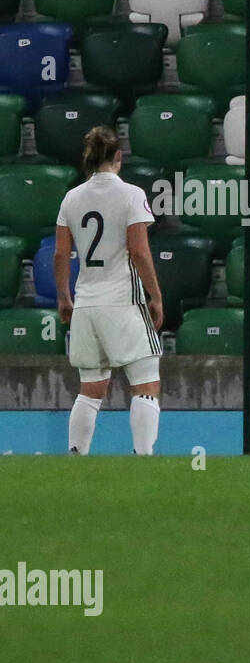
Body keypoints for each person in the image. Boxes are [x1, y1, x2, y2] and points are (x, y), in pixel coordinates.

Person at [54, 126, 164, 455]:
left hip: (86, 303)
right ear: (119, 157)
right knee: (146, 381)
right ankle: (143, 458)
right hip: (121, 302)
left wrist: (64, 297)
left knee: (90, 389)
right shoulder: (131, 194)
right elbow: (140, 252)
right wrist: (155, 296)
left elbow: (60, 254)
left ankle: (75, 456)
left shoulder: (71, 197)